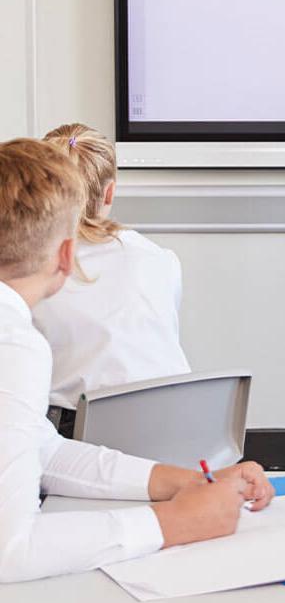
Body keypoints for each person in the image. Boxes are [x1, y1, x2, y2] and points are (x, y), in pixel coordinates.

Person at [0, 138, 273, 582]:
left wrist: (185, 483)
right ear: (67, 256)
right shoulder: (13, 345)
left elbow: (42, 449)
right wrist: (176, 523)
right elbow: (9, 550)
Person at [32, 123, 190, 437]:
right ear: (110, 191)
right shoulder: (160, 260)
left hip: (73, 437)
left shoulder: (28, 268)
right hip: (171, 432)